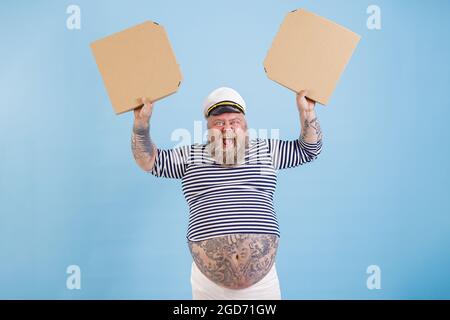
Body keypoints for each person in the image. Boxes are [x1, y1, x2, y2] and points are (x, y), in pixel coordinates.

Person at [131, 87, 322, 299]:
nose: (227, 129)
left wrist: (307, 114)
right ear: (208, 129)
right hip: (209, 287)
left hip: (262, 287)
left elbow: (309, 150)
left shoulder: (266, 150)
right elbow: (149, 161)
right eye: (219, 123)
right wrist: (141, 127)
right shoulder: (190, 155)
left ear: (245, 127)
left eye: (234, 122)